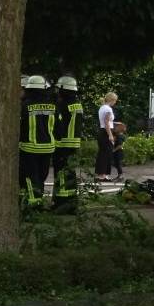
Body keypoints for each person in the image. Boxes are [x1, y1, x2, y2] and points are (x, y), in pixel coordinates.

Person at [19, 75, 57, 209]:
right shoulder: (52, 105)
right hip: (48, 148)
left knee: (30, 177)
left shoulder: (25, 105)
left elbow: (20, 126)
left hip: (29, 148)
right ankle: (38, 200)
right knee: (41, 177)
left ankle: (34, 206)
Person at [51, 76, 84, 214]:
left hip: (62, 144)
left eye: (59, 89)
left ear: (64, 89)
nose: (57, 91)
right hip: (74, 143)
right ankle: (72, 203)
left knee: (61, 174)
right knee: (70, 173)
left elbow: (58, 125)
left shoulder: (62, 105)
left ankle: (61, 204)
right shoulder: (77, 104)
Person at [95, 91, 118, 180]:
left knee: (102, 153)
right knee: (106, 154)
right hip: (106, 132)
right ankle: (103, 175)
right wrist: (110, 135)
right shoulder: (108, 109)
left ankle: (101, 174)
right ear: (112, 100)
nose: (115, 102)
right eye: (115, 100)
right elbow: (106, 122)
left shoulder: (102, 108)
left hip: (101, 131)